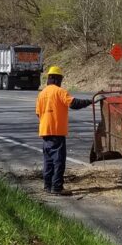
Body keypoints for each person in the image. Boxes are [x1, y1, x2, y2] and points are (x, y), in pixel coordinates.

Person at [36, 65, 91, 195]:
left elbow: (38, 113)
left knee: (48, 160)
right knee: (58, 161)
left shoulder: (41, 94)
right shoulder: (60, 92)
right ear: (56, 79)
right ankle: (57, 188)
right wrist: (90, 101)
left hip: (45, 132)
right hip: (57, 131)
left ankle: (47, 186)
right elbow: (74, 104)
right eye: (60, 79)